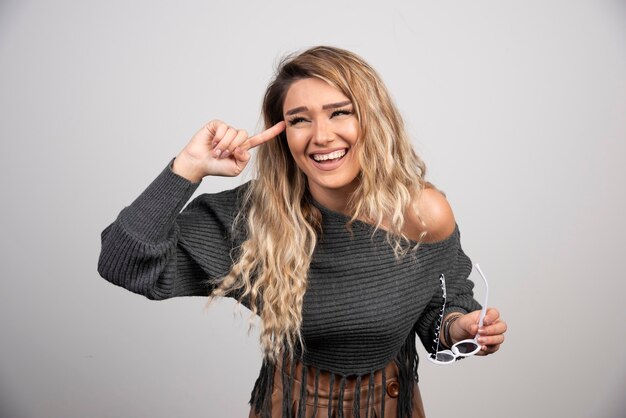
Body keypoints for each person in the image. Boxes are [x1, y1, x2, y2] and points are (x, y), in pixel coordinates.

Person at [98, 46, 507, 418]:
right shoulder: (257, 216)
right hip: (293, 408)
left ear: (372, 118)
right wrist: (188, 166)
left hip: (393, 405)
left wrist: (462, 327)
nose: (322, 136)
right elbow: (124, 264)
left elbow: (442, 308)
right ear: (282, 134)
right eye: (299, 120)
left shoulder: (423, 212)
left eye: (340, 112)